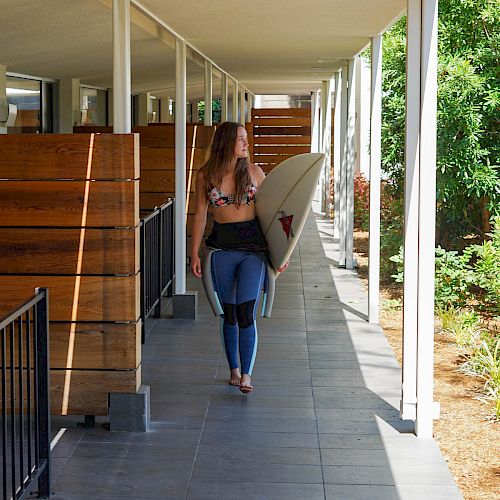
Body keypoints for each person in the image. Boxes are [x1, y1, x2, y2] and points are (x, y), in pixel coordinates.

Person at [191, 121, 282, 394]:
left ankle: (246, 374)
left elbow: (275, 213)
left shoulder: (255, 172)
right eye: (241, 139)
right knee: (228, 313)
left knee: (246, 312)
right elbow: (200, 215)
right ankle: (233, 368)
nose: (246, 143)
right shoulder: (205, 175)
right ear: (226, 142)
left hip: (253, 250)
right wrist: (193, 252)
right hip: (221, 249)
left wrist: (281, 253)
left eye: (246, 138)